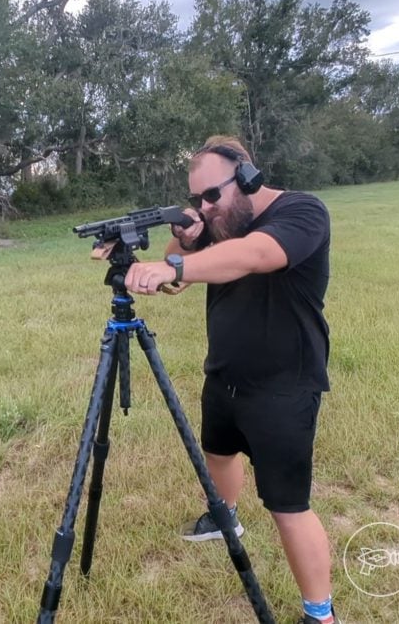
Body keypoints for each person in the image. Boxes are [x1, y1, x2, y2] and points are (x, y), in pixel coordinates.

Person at [123, 135, 336, 624]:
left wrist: (174, 262)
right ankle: (226, 518)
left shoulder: (302, 213)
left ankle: (319, 613)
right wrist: (188, 234)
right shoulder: (220, 222)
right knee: (218, 452)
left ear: (247, 177)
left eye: (211, 195)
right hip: (225, 371)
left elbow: (255, 256)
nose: (205, 206)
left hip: (284, 383)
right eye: (195, 198)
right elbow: (176, 279)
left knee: (288, 505)